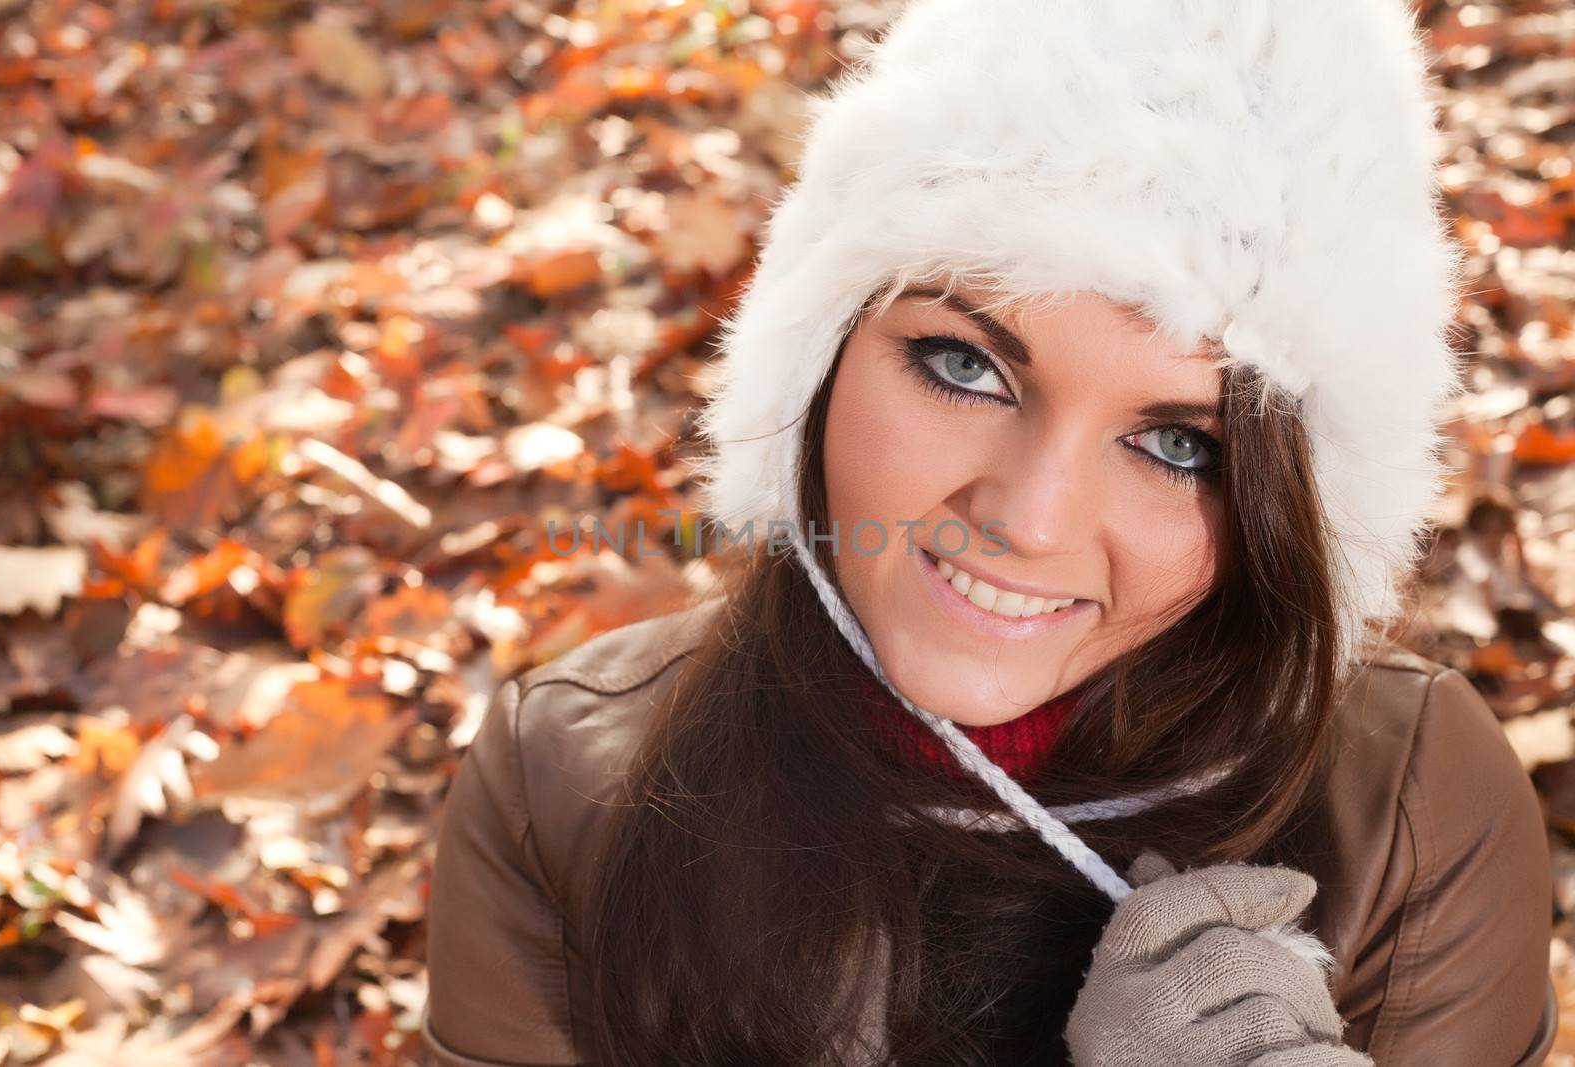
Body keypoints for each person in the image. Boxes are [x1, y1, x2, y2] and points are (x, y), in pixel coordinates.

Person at [421, 0, 1558, 1063]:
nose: (1025, 518)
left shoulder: (1410, 804)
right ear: (819, 351)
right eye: (962, 366)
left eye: (1178, 445)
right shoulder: (569, 779)